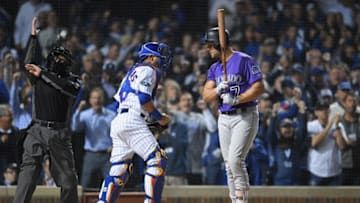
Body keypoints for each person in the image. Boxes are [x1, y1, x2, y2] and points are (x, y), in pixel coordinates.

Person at [14, 17, 81, 203]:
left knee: (69, 182)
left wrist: (43, 73)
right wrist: (33, 38)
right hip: (36, 129)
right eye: (57, 57)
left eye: (63, 58)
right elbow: (29, 63)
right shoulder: (39, 76)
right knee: (27, 178)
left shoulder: (72, 80)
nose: (59, 61)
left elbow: (66, 88)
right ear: (51, 60)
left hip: (59, 133)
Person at [97, 42, 172, 203]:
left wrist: (147, 119)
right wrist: (160, 118)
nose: (162, 60)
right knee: (158, 160)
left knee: (119, 169)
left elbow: (120, 102)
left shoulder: (131, 72)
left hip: (119, 120)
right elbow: (143, 99)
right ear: (151, 58)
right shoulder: (149, 70)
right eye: (160, 56)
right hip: (132, 120)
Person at [202, 27, 265, 203]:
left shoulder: (244, 60)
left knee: (236, 160)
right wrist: (217, 90)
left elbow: (259, 87)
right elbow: (206, 96)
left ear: (217, 44)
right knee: (229, 165)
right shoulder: (215, 68)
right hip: (224, 117)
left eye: (209, 45)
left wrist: (238, 99)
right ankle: (235, 200)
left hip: (245, 115)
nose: (207, 49)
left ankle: (241, 200)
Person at [71, 87, 115, 189]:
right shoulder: (85, 115)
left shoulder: (111, 115)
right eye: (94, 98)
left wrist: (114, 146)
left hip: (107, 156)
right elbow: (75, 128)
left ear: (103, 99)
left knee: (112, 186)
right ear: (90, 100)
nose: (97, 100)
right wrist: (78, 110)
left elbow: (118, 134)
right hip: (91, 155)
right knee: (84, 186)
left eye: (99, 98)